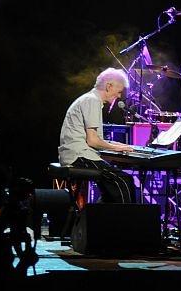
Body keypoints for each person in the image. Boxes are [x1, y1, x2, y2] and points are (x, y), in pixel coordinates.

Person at [58, 68, 136, 203]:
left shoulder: (90, 99)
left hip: (79, 154)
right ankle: (127, 217)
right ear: (108, 86)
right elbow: (93, 141)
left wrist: (116, 144)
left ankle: (102, 215)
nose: (119, 96)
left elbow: (94, 138)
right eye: (119, 92)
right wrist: (117, 148)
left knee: (112, 186)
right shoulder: (92, 100)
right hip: (79, 156)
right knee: (123, 180)